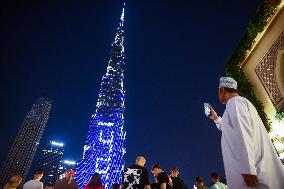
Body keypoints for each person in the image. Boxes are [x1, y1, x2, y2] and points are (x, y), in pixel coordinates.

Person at [208, 77, 284, 188]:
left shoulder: (235, 103)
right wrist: (215, 118)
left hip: (254, 175)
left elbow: (243, 132)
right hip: (255, 170)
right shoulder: (239, 103)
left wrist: (247, 168)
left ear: (222, 90)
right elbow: (230, 130)